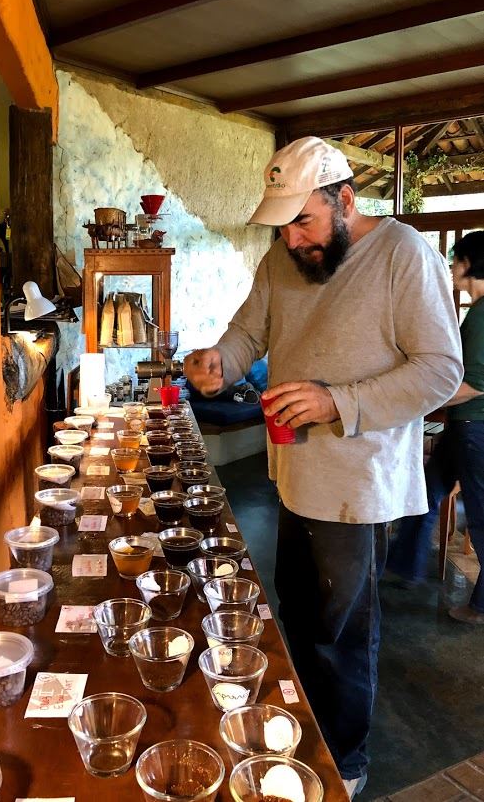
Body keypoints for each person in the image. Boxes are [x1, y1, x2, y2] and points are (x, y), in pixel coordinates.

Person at [185, 136, 462, 798]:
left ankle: (345, 759)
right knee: (299, 613)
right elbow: (248, 329)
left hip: (357, 485)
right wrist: (219, 360)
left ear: (344, 199)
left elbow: (440, 371)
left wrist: (335, 400)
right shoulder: (286, 258)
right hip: (293, 475)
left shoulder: (401, 254)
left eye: (303, 222)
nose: (292, 241)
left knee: (341, 630)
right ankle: (297, 730)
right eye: (282, 228)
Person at [387, 231, 484, 624]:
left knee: (480, 517)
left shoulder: (481, 315)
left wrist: (416, 402)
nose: (451, 268)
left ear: (467, 264)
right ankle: (402, 566)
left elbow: (473, 383)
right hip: (463, 428)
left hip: (475, 430)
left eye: (455, 260)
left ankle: (481, 606)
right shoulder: (476, 311)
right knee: (424, 493)